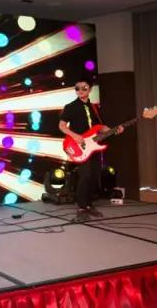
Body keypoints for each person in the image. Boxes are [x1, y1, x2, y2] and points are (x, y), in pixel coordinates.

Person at [59, 77, 123, 222]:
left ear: (90, 89)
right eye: (77, 88)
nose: (80, 90)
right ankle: (81, 207)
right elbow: (62, 126)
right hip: (80, 147)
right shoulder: (70, 107)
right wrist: (74, 136)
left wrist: (114, 130)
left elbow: (100, 127)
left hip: (93, 146)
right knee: (85, 175)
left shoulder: (95, 107)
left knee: (94, 175)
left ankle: (88, 205)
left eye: (84, 88)